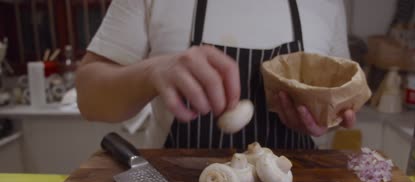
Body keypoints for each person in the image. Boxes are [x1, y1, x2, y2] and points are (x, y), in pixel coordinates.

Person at [76, 0, 356, 149]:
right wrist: (152, 71)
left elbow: (339, 104)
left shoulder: (326, 3)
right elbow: (89, 98)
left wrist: (319, 119)